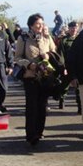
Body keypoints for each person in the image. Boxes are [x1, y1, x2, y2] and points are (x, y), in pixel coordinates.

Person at [14, 13, 56, 145]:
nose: (40, 26)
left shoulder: (47, 37)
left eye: (42, 23)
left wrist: (48, 55)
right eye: (38, 24)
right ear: (31, 25)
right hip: (30, 76)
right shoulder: (23, 38)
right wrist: (29, 64)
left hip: (45, 76)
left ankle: (39, 131)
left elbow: (54, 52)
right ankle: (31, 134)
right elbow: (17, 58)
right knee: (32, 106)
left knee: (42, 106)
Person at [57, 21, 81, 112]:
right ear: (69, 28)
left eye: (75, 27)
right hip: (67, 66)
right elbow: (61, 55)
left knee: (78, 88)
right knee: (64, 85)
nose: (74, 29)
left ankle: (80, 106)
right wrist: (63, 67)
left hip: (78, 67)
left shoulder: (80, 39)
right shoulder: (64, 40)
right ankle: (62, 99)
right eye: (72, 28)